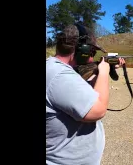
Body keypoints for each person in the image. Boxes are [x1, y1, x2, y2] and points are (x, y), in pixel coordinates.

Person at [46, 24, 125, 165]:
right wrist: (104, 72)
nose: (91, 58)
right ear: (82, 49)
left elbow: (81, 95)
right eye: (92, 52)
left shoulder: (55, 69)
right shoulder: (60, 76)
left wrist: (99, 73)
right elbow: (98, 110)